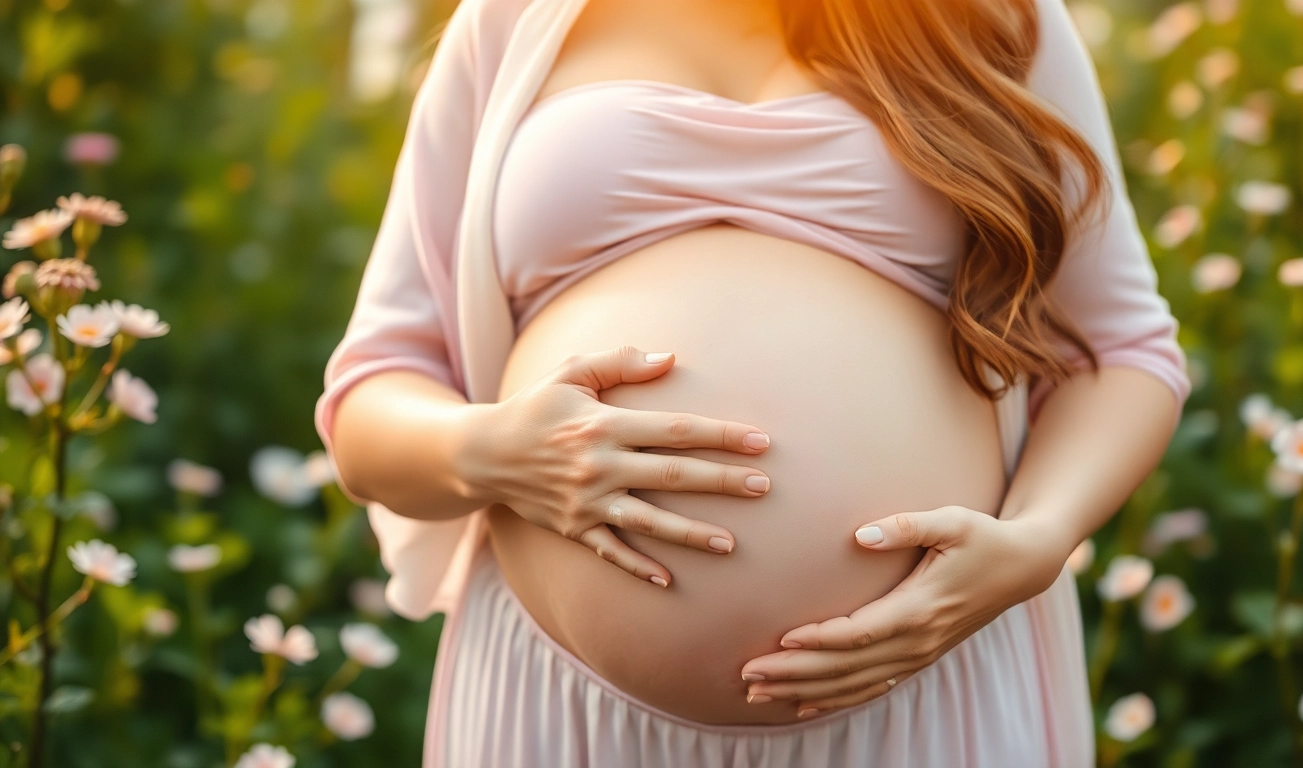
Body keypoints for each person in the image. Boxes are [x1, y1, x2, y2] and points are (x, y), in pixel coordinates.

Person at [315, 0, 1191, 765]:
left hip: (924, 702)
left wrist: (1036, 543)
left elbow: (1121, 351)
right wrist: (495, 450)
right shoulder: (513, 19)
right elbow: (374, 395)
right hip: (564, 716)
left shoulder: (990, 15)